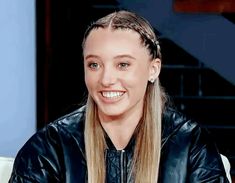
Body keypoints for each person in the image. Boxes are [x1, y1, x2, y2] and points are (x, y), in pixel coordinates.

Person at [9, 10, 229, 183]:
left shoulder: (190, 144)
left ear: (153, 69)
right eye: (94, 65)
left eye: (123, 64)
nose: (106, 79)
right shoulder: (48, 148)